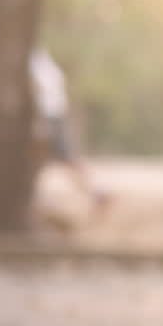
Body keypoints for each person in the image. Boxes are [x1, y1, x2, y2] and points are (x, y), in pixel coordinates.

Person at [29, 48, 110, 216]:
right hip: (54, 113)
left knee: (65, 158)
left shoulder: (32, 57)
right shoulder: (40, 57)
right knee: (63, 159)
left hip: (46, 115)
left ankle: (97, 192)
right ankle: (97, 192)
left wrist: (39, 121)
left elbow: (38, 88)